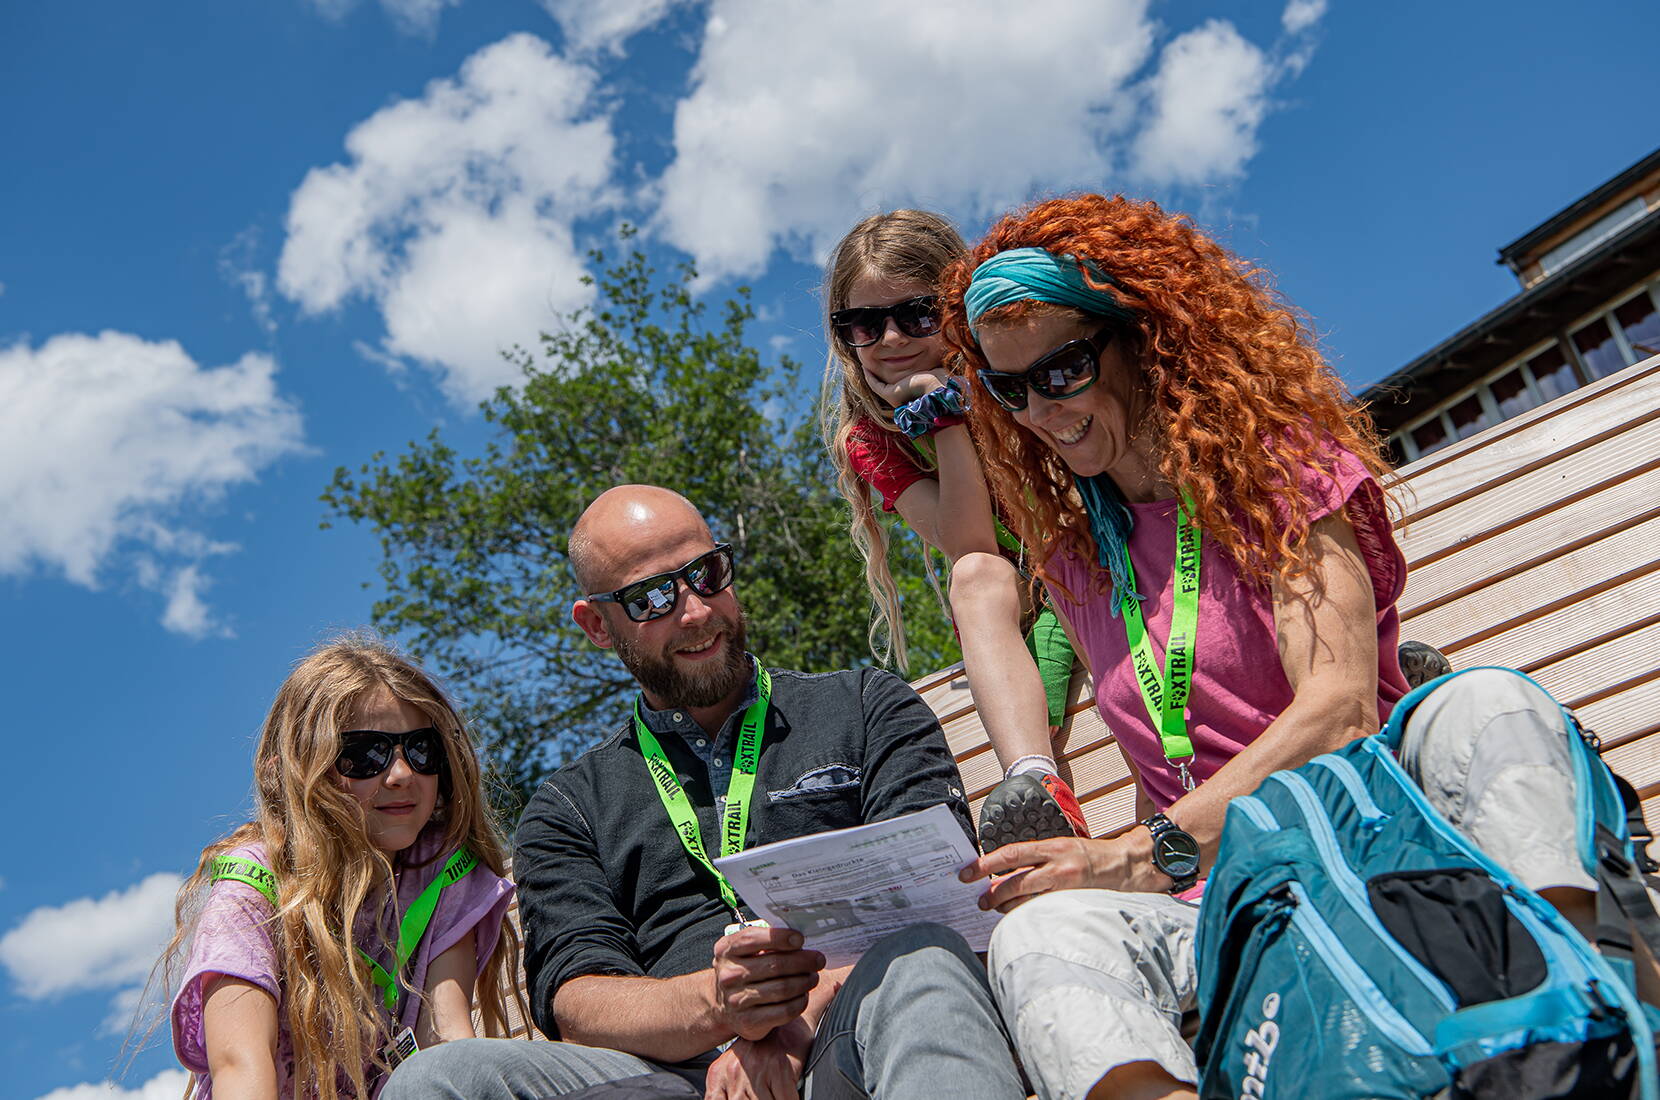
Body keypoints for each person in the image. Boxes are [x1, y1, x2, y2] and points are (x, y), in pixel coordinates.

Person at [937, 195, 1631, 1100]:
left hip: (1380, 831)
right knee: (1040, 940)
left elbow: (1339, 712)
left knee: (1486, 703)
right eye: (1008, 387)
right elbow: (975, 578)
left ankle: (1591, 1035)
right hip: (1225, 901)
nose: (1038, 408)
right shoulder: (1072, 565)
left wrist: (1133, 856)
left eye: (1062, 368)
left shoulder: (1276, 474)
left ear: (1144, 337)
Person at [386, 485, 1026, 1100]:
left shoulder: (864, 705)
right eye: (652, 598)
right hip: (665, 1078)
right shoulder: (568, 805)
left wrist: (789, 1023)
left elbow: (941, 900)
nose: (695, 610)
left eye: (707, 572)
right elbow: (578, 999)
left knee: (925, 959)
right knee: (434, 1081)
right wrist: (720, 1006)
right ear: (598, 626)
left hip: (855, 1034)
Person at [821, 209, 1088, 850]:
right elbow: (972, 544)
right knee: (973, 574)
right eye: (863, 323)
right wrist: (941, 419)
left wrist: (973, 398)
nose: (888, 338)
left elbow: (1055, 508)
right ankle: (1032, 779)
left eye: (915, 314)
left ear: (957, 305)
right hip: (1019, 596)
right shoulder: (869, 438)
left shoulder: (1021, 369)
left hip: (1092, 550)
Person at [159, 636, 521, 1100]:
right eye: (365, 753)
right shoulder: (254, 885)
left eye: (421, 749)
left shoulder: (445, 875)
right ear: (288, 770)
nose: (402, 774)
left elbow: (447, 1042)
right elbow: (239, 1066)